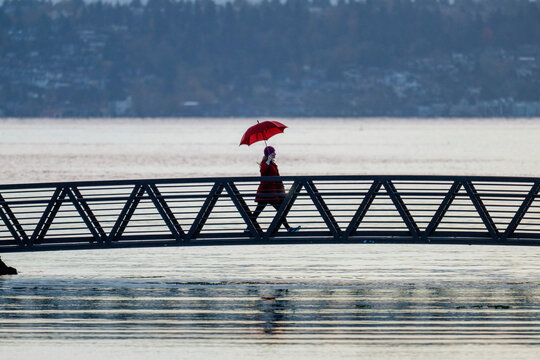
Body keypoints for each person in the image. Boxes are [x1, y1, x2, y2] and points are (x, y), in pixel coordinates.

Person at [249, 146, 300, 233]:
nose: (275, 153)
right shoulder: (265, 163)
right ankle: (288, 228)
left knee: (263, 212)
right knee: (278, 211)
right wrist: (268, 161)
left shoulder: (272, 163)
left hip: (272, 193)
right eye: (273, 152)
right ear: (269, 154)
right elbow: (263, 171)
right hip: (266, 193)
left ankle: (248, 228)